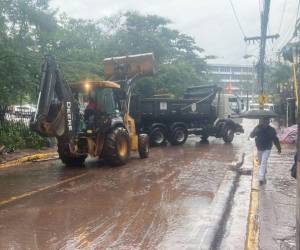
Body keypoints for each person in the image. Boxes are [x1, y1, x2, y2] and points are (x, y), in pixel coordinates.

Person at [250, 117, 281, 185]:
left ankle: (261, 178)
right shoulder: (257, 128)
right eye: (263, 121)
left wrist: (279, 148)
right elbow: (251, 136)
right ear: (261, 121)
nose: (265, 123)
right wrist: (255, 129)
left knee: (263, 162)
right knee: (261, 162)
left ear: (268, 122)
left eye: (267, 121)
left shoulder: (271, 130)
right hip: (259, 148)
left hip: (267, 148)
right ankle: (264, 171)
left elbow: (275, 139)